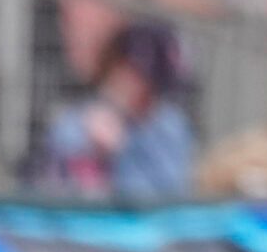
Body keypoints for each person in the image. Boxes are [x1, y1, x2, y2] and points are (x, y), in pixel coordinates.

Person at [31, 21, 195, 198]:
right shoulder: (76, 121)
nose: (140, 88)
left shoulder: (170, 126)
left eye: (153, 81)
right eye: (132, 73)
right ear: (114, 65)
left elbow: (168, 192)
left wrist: (123, 154)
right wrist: (92, 151)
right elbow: (48, 185)